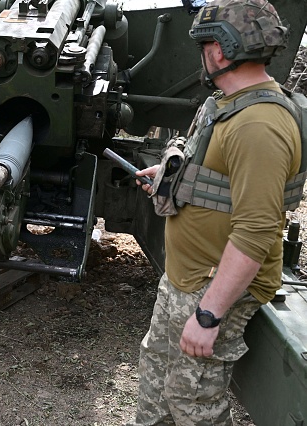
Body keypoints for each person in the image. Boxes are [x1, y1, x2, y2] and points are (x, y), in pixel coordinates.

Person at [128, 0, 301, 424]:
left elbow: (256, 232)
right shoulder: (228, 104)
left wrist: (208, 315)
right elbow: (218, 178)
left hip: (211, 288)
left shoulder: (259, 125)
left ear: (221, 50)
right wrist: (174, 175)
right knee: (157, 379)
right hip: (187, 277)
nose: (202, 56)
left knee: (193, 403)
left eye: (204, 45)